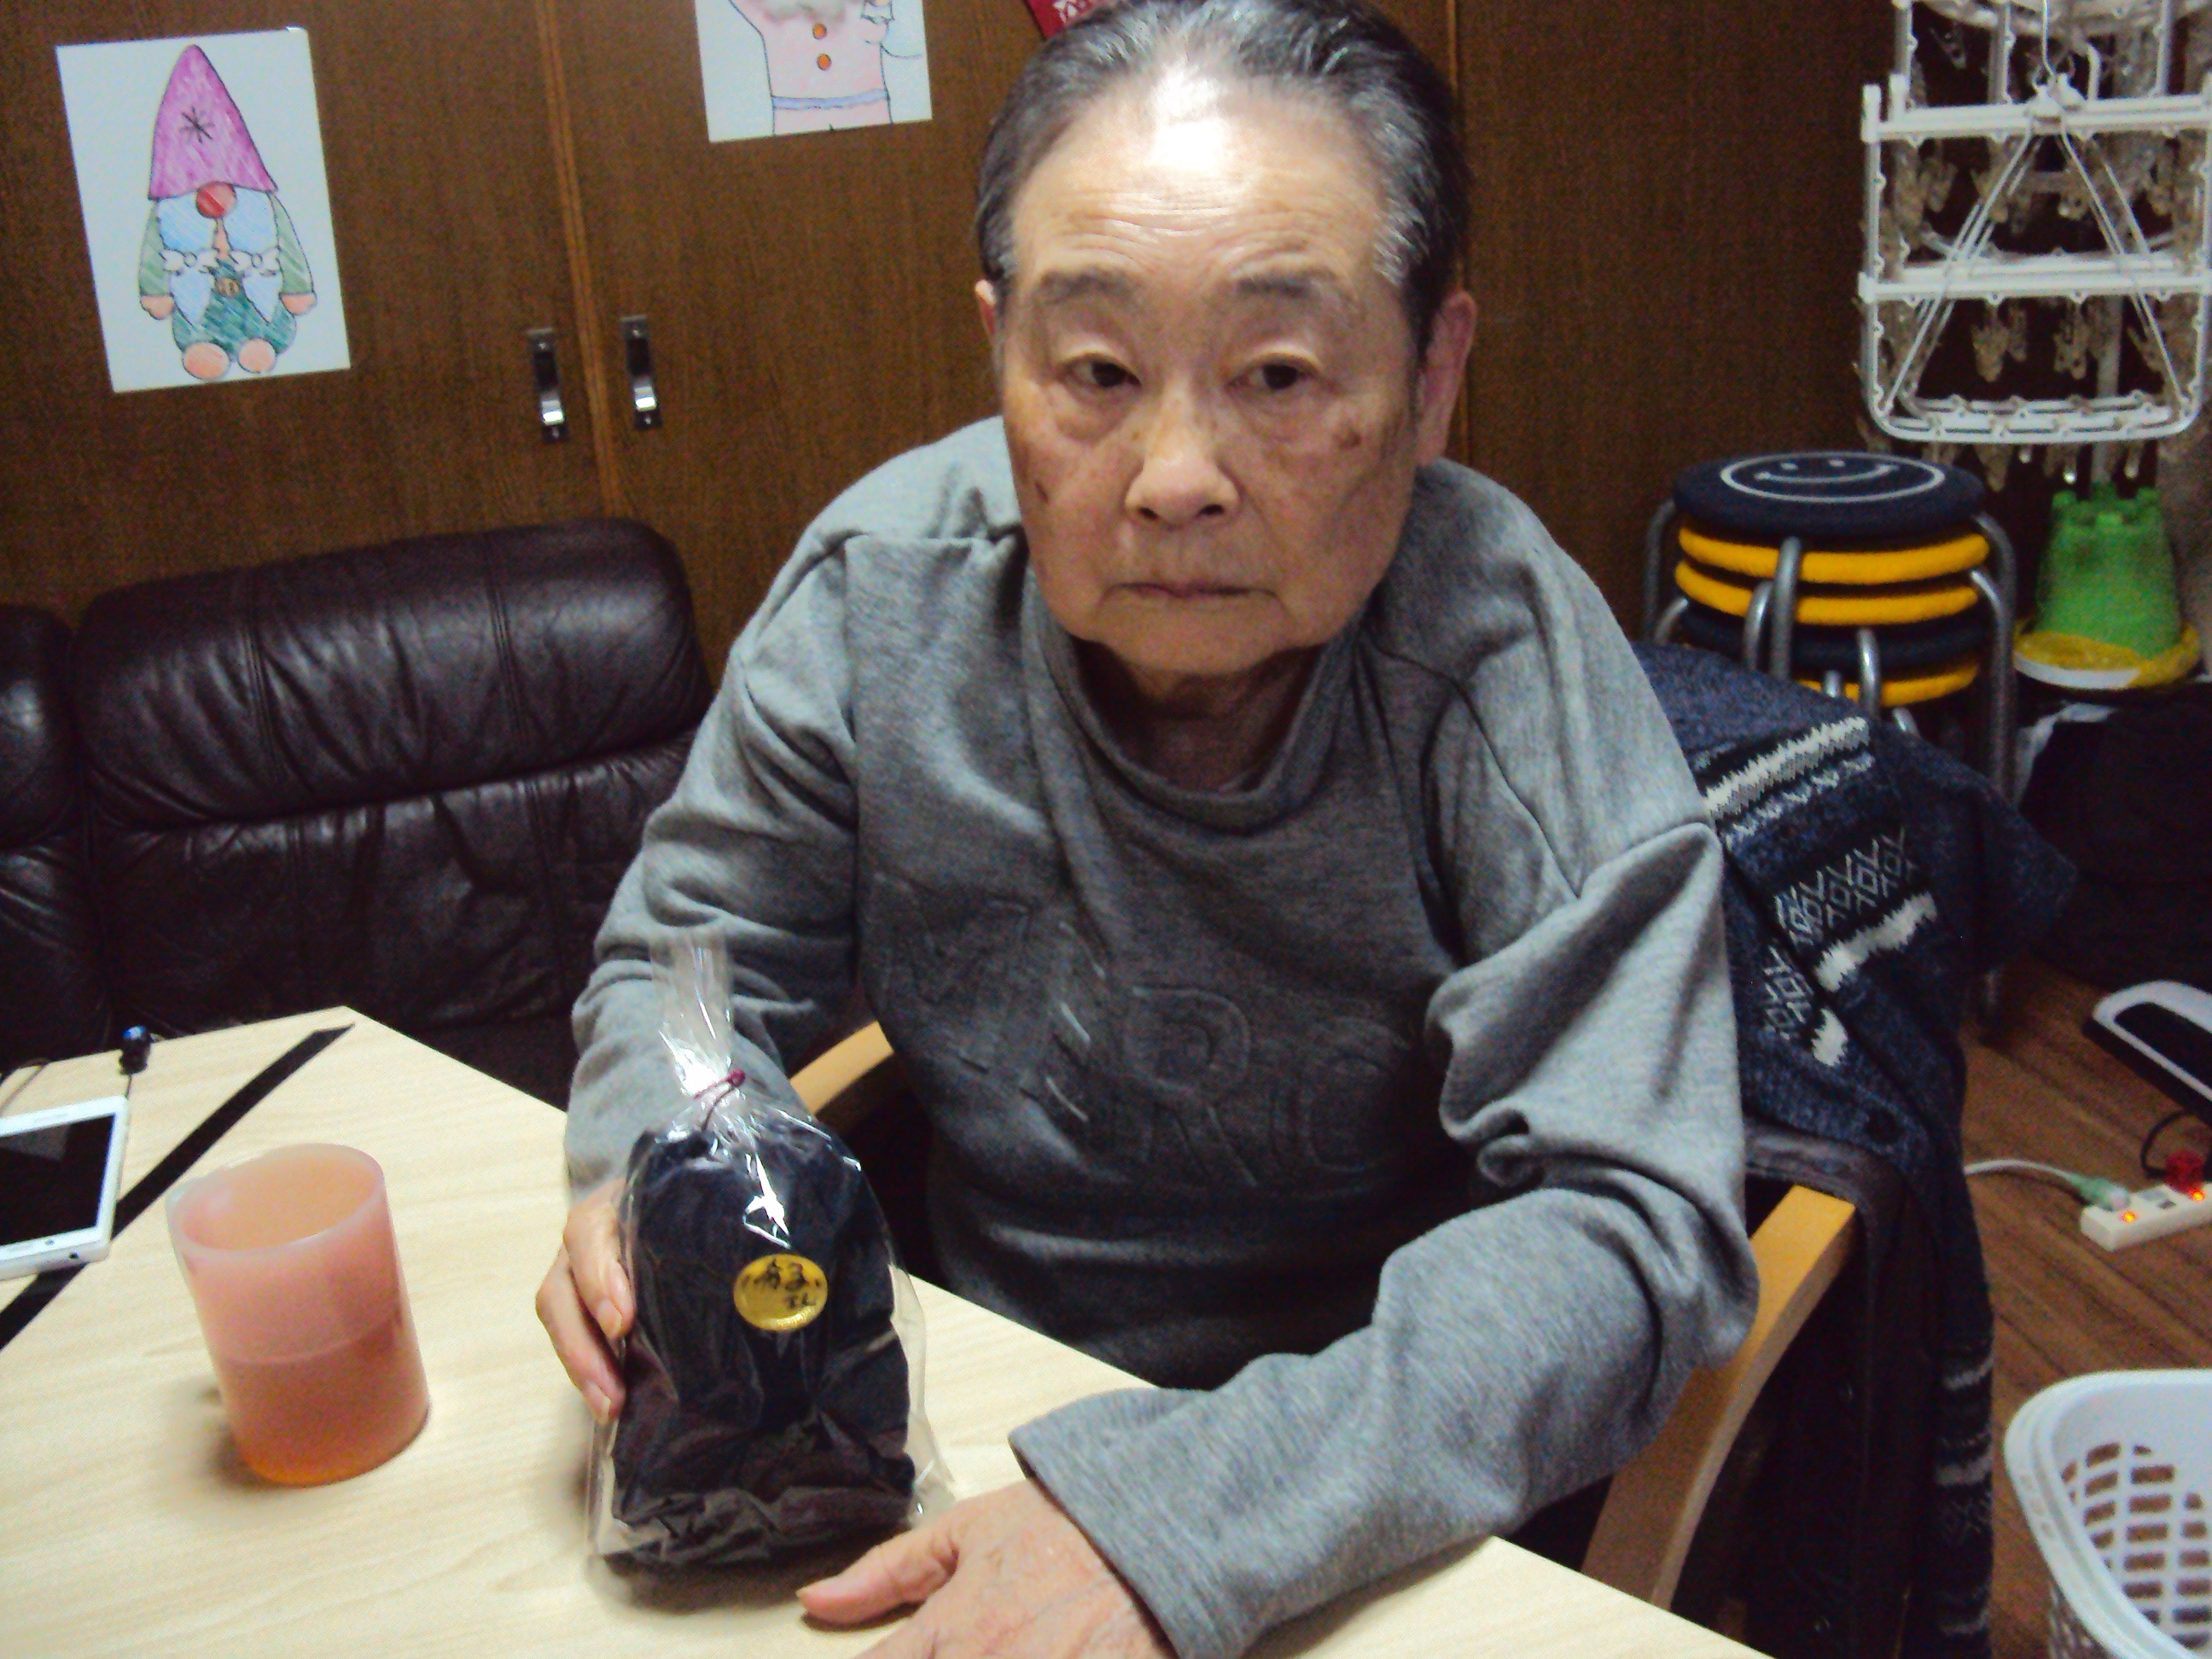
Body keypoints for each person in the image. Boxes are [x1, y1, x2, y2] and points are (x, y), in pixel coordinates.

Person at [538, 3, 1759, 1656]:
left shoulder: (1498, 663)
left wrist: (1180, 1513)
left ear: (1433, 375)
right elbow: (691, 964)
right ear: (1003, 355)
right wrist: (674, 1163)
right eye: (1098, 373)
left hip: (1375, 1470)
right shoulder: (883, 599)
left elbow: (1630, 1230)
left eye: (1279, 374)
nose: (1175, 476)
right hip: (971, 1411)